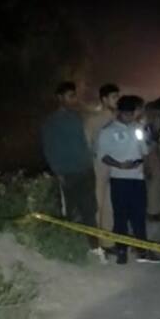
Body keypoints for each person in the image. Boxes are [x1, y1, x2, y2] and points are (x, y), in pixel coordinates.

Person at [41, 81, 106, 263]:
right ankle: (72, 249)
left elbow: (84, 143)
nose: (74, 99)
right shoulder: (52, 122)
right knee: (71, 213)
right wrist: (58, 172)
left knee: (90, 210)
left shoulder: (77, 118)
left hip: (85, 170)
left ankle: (94, 248)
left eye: (74, 95)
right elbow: (49, 149)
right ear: (60, 97)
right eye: (70, 96)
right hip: (68, 173)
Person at [97, 95, 160, 265]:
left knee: (139, 216)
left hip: (137, 178)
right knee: (120, 217)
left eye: (132, 114)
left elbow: (144, 150)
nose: (129, 117)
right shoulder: (108, 131)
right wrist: (119, 165)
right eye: (126, 114)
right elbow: (103, 156)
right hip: (119, 179)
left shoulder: (137, 128)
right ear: (119, 112)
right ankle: (121, 251)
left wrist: (144, 166)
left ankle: (142, 250)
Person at [84, 84, 120, 250]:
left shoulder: (120, 119)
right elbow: (87, 144)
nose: (116, 100)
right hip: (99, 165)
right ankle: (96, 241)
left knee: (111, 205)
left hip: (117, 167)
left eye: (117, 97)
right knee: (98, 204)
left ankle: (108, 242)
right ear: (104, 99)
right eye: (113, 97)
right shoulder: (93, 119)